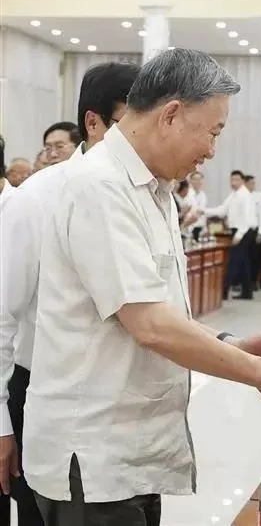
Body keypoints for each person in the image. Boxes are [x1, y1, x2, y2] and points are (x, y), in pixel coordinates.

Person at [20, 49, 261, 526]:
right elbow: (151, 326)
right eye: (214, 131)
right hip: (95, 457)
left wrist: (231, 345)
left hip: (135, 451)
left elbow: (160, 307)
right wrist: (258, 374)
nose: (213, 151)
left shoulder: (153, 191)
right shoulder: (99, 186)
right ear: (172, 114)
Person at [0, 61, 141, 526]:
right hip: (43, 391)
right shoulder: (39, 196)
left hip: (121, 401)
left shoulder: (145, 194)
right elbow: (1, 312)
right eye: (126, 125)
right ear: (93, 122)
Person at [205, 170, 256, 300]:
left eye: (237, 180)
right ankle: (247, 292)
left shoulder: (245, 195)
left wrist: (239, 235)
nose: (233, 182)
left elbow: (247, 217)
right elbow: (222, 211)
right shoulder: (233, 194)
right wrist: (202, 211)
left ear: (242, 181)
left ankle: (223, 291)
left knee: (234, 261)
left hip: (243, 231)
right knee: (243, 262)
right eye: (232, 179)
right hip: (237, 230)